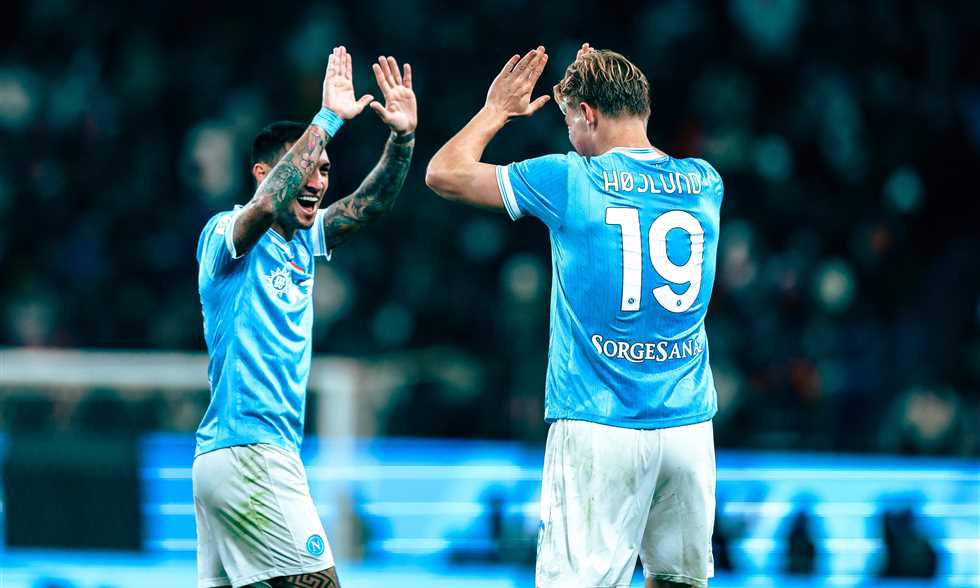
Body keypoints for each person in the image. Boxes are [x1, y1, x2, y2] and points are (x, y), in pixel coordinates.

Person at [426, 43, 723, 588]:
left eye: (568, 121)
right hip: (687, 426)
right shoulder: (705, 183)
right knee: (679, 581)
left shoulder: (570, 179)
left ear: (587, 113)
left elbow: (444, 173)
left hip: (597, 423)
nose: (569, 138)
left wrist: (496, 111)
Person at [193, 46, 416, 588]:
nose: (317, 180)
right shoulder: (227, 234)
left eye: (325, 169)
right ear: (262, 173)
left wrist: (403, 140)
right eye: (306, 166)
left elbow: (369, 205)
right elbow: (266, 205)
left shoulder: (302, 242)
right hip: (251, 452)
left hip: (231, 458)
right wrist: (328, 118)